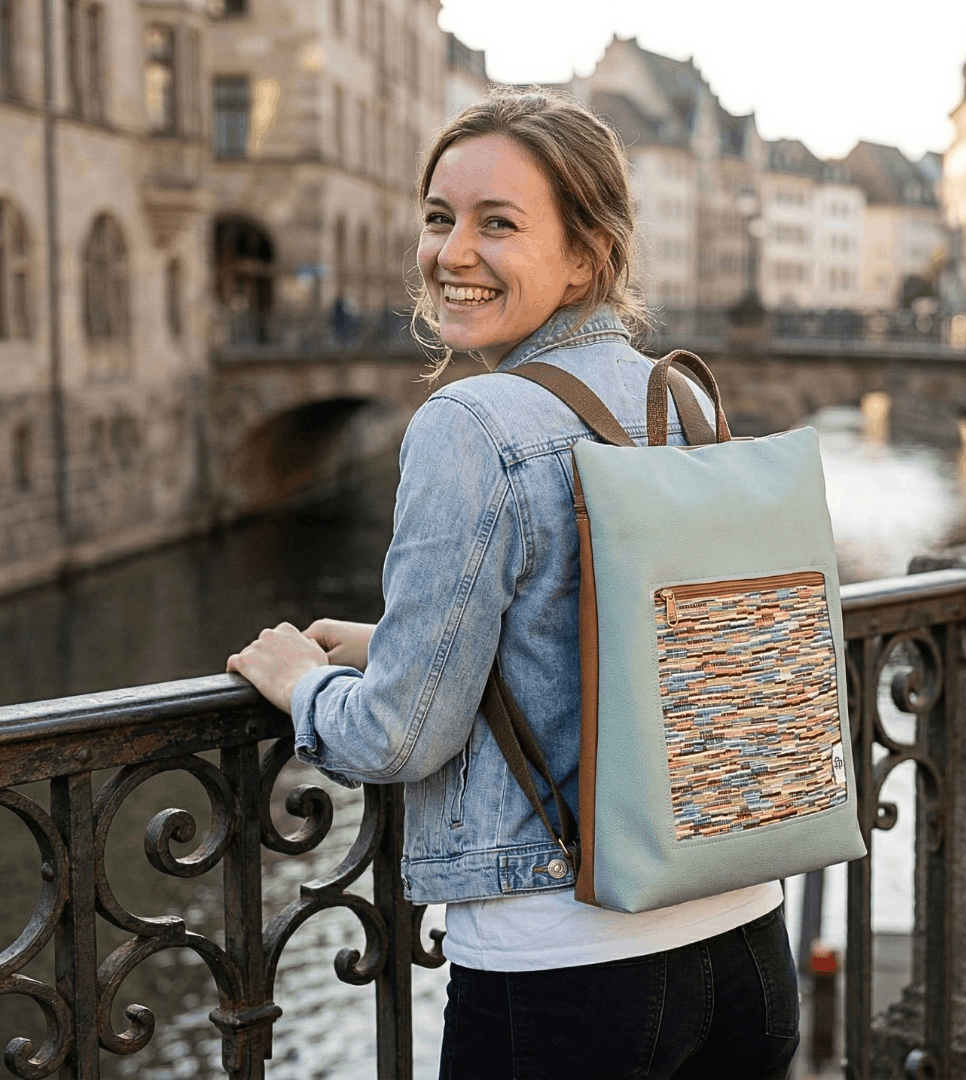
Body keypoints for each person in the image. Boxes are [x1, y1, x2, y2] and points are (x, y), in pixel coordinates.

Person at [227, 86, 800, 1079]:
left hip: (569, 971)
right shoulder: (683, 395)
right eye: (439, 217)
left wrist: (302, 684)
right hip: (744, 945)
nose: (453, 253)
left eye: (498, 223)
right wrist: (395, 645)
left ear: (587, 255)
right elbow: (625, 639)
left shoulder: (473, 422)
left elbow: (398, 738)